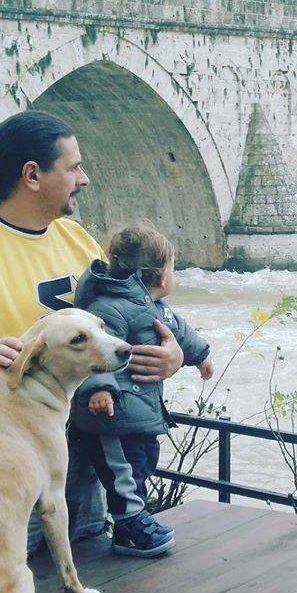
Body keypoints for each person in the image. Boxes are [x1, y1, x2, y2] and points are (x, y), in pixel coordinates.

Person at [0, 110, 186, 546]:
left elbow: (128, 324)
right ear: (32, 175)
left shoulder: (75, 238)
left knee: (89, 581)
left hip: (84, 459)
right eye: (73, 167)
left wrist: (172, 356)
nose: (84, 178)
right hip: (6, 467)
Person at [69, 223, 214, 557]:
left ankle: (125, 530)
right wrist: (98, 391)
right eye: (173, 267)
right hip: (112, 416)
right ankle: (132, 524)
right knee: (124, 474)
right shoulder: (108, 309)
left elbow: (182, 333)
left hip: (140, 414)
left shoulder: (156, 309)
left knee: (141, 463)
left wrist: (200, 356)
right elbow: (94, 352)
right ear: (161, 276)